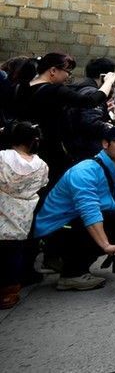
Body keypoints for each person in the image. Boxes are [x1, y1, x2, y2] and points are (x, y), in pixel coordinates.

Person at [33, 126, 115, 291]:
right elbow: (89, 211)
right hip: (55, 229)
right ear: (105, 144)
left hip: (77, 223)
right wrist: (106, 246)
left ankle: (63, 261)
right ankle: (71, 273)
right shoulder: (85, 171)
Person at [13, 53, 115, 189]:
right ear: (53, 70)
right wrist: (108, 82)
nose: (68, 76)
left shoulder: (20, 87)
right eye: (67, 71)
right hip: (48, 150)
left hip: (20, 149)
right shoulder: (54, 90)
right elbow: (89, 101)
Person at [0, 122, 49, 308]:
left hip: (3, 209)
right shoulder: (42, 165)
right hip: (24, 214)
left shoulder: (3, 157)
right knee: (15, 253)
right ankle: (9, 294)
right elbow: (43, 185)